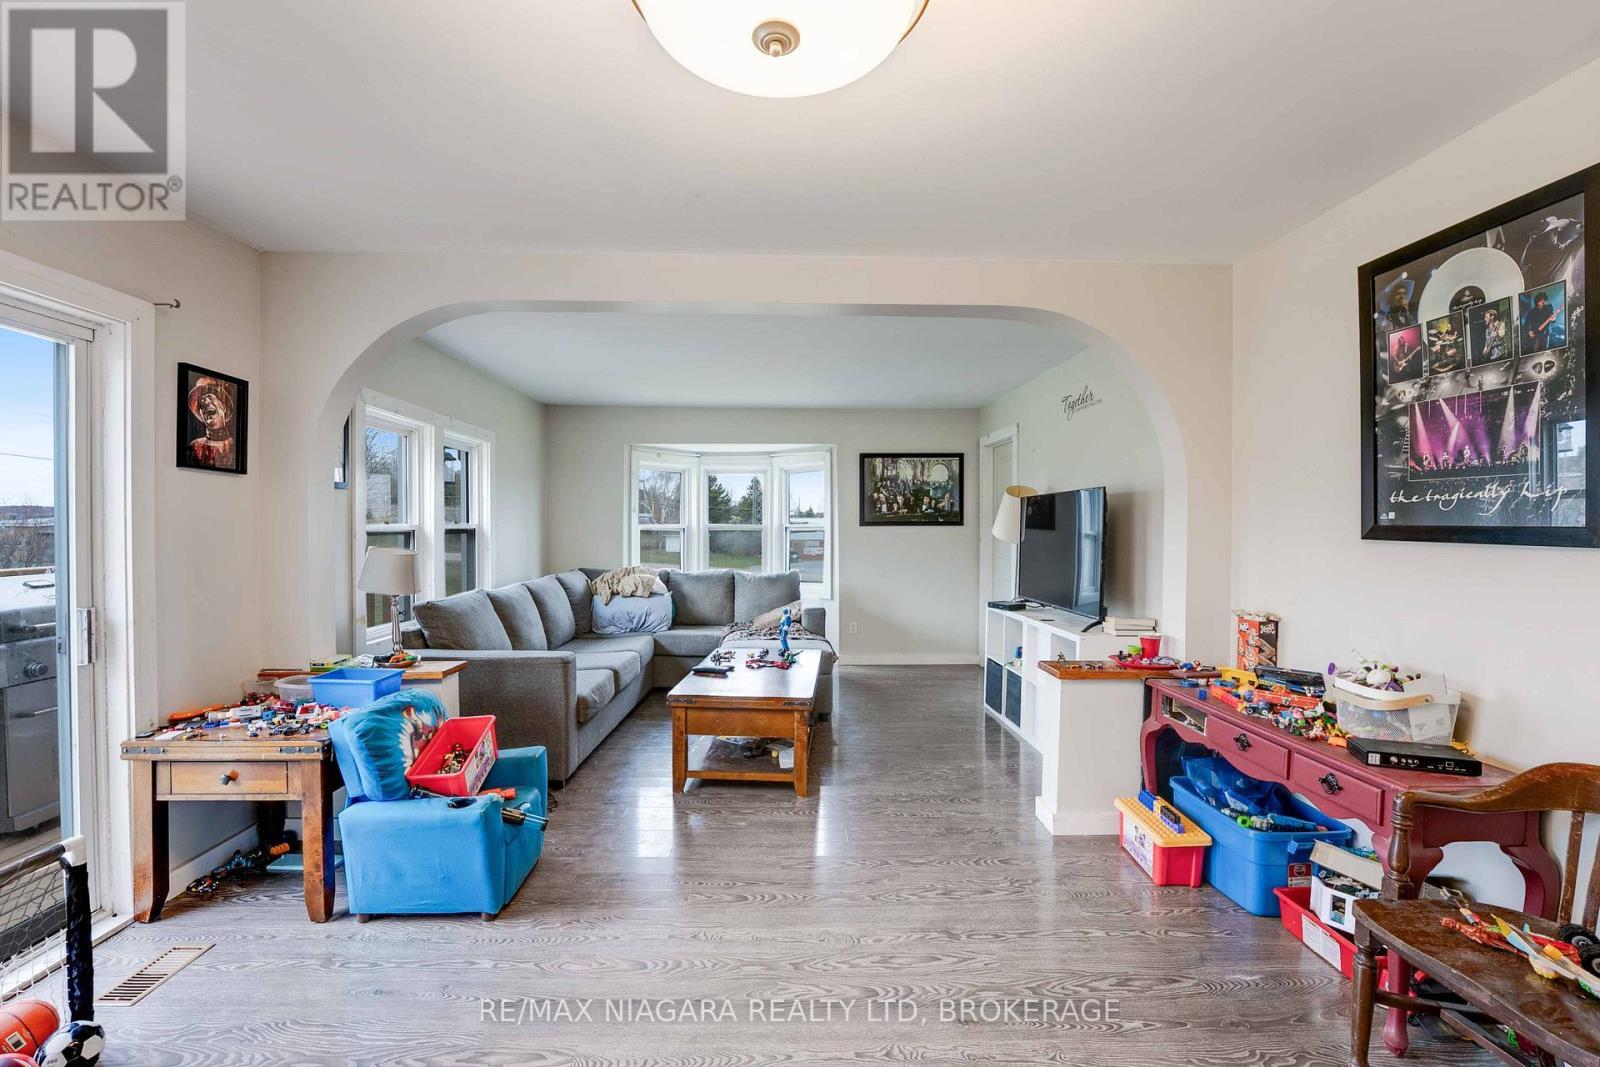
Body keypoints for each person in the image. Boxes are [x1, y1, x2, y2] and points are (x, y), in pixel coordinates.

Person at [186, 375, 237, 469]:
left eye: (210, 397)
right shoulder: (195, 446)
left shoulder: (234, 446)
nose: (205, 403)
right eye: (202, 401)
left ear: (223, 406)